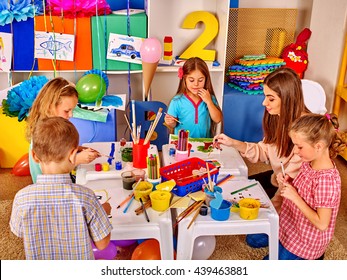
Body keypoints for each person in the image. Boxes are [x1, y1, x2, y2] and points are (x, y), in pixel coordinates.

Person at [246, 113, 346, 260]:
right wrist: (287, 184)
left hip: (305, 241)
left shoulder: (327, 181)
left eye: (299, 146)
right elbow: (302, 189)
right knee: (252, 239)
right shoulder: (308, 161)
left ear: (318, 146)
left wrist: (294, 196)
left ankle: (312, 258)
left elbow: (322, 223)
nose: (295, 151)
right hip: (289, 223)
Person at [10, 117, 113, 259]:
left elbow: (19, 232)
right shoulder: (86, 197)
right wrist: (103, 211)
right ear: (73, 155)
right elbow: (102, 244)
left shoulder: (21, 198)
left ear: (34, 156)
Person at [213, 67, 310, 204]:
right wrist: (233, 143)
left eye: (271, 99)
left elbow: (290, 182)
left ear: (287, 99)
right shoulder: (277, 117)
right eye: (265, 96)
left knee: (243, 205)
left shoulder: (304, 131)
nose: (264, 103)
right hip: (278, 180)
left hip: (293, 193)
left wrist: (273, 212)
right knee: (232, 189)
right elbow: (264, 151)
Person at [26, 77, 100, 183]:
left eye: (72, 110)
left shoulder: (51, 126)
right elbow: (52, 167)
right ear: (50, 106)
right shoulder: (43, 132)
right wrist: (78, 159)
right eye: (67, 110)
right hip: (49, 188)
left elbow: (56, 149)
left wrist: (77, 149)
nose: (71, 115)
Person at [164, 57, 223, 138]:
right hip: (183, 145)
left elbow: (217, 119)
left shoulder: (209, 98)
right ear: (184, 79)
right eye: (191, 80)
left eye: (200, 80)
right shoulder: (176, 101)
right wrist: (170, 122)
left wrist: (209, 102)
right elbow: (173, 125)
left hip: (204, 145)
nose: (196, 84)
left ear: (206, 79)